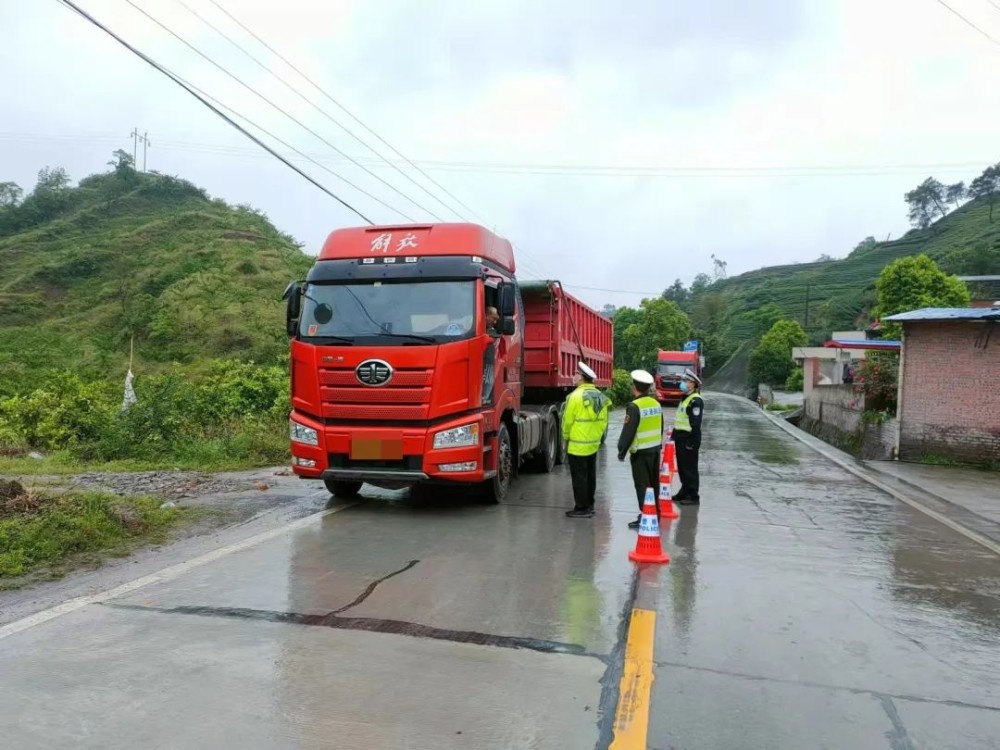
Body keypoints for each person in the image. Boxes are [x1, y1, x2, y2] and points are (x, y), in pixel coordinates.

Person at [562, 362, 610, 518]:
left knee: (579, 477)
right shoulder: (601, 396)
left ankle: (581, 508)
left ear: (582, 377)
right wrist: (595, 437)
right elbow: (604, 421)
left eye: (576, 373)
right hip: (593, 444)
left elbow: (568, 421)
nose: (573, 376)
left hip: (577, 444)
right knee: (590, 476)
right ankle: (589, 504)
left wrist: (565, 437)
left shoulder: (574, 396)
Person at [617, 369, 664, 529]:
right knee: (654, 483)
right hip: (655, 450)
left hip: (641, 453)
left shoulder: (634, 406)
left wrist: (621, 450)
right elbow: (661, 426)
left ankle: (645, 515)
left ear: (634, 387)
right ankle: (655, 513)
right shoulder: (656, 404)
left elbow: (628, 431)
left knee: (642, 485)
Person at [672, 368, 704, 505]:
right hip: (680, 437)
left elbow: (695, 423)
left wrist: (693, 441)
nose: (683, 383)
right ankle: (684, 490)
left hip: (689, 438)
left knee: (690, 468)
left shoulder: (695, 400)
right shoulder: (685, 398)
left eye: (686, 381)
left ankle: (693, 495)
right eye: (683, 380)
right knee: (682, 467)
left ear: (693, 384)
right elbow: (680, 418)